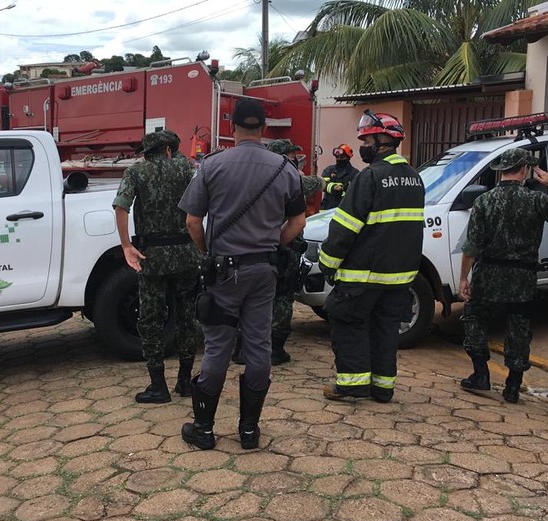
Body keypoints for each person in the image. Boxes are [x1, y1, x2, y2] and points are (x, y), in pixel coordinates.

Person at [178, 98, 306, 450]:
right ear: (264, 128)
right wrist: (271, 246)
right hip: (264, 271)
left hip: (224, 270)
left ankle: (204, 429)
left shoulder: (212, 165)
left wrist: (208, 253)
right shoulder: (285, 169)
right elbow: (298, 221)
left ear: (232, 128)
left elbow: (192, 221)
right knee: (259, 345)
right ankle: (249, 430)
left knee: (218, 346)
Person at [319, 110, 425, 403]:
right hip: (399, 276)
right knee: (386, 330)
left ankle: (351, 385)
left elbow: (345, 227)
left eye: (367, 140)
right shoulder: (415, 178)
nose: (363, 146)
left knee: (348, 322)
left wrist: (327, 262)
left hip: (363, 274)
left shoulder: (371, 176)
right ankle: (382, 388)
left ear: (382, 140)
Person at [458, 148, 548, 403]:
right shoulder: (535, 200)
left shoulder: (484, 201)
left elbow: (471, 246)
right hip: (522, 276)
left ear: (501, 170)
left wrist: (463, 278)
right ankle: (513, 386)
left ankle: (480, 374)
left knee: (475, 320)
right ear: (524, 170)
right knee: (519, 327)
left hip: (488, 272)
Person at [113, 130, 200, 404]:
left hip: (152, 257)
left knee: (151, 319)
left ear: (148, 152)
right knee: (187, 317)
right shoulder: (187, 168)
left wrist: (127, 245)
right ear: (168, 150)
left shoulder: (136, 172)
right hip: (186, 253)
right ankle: (185, 381)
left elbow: (120, 207)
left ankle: (158, 386)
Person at [267, 139, 324, 365]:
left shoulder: (260, 176)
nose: (295, 159)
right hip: (284, 246)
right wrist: (322, 180)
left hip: (258, 247)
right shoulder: (289, 177)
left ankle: (245, 347)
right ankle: (276, 348)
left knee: (256, 298)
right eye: (291, 155)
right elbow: (312, 184)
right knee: (282, 297)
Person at [320, 144, 359, 210]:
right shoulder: (329, 170)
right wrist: (334, 187)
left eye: (342, 157)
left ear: (347, 157)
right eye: (337, 157)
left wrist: (344, 189)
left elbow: (356, 192)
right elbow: (322, 184)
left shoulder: (354, 173)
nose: (339, 159)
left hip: (344, 208)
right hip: (327, 208)